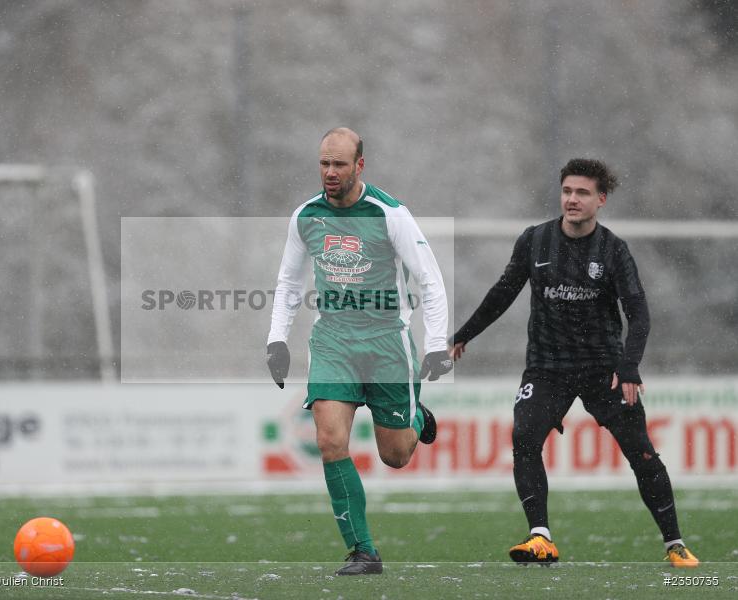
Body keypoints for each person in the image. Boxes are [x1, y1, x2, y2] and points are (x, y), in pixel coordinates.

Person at [449, 159, 699, 567]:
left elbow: (639, 313)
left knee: (642, 453)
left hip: (604, 368)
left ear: (600, 200)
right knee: (524, 438)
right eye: (567, 191)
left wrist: (630, 366)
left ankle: (675, 544)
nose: (572, 199)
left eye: (582, 193)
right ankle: (540, 537)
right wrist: (464, 334)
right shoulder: (534, 240)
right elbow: (503, 292)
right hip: (547, 367)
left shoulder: (614, 250)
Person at [266, 127, 452, 575]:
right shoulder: (305, 217)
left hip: (387, 343)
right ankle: (362, 550)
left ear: (359, 165)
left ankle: (416, 418)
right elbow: (290, 281)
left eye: (339, 164)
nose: (330, 173)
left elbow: (429, 279)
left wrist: (435, 346)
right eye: (324, 163)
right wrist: (276, 339)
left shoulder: (391, 215)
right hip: (333, 342)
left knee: (396, 456)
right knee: (330, 441)